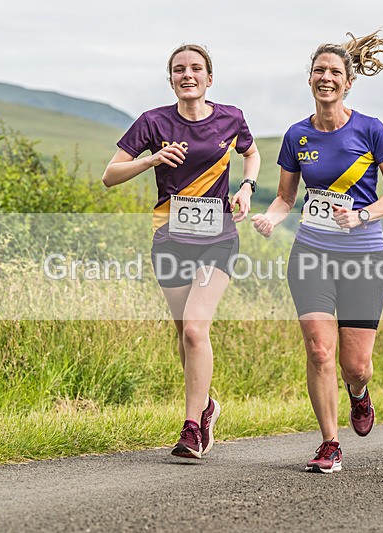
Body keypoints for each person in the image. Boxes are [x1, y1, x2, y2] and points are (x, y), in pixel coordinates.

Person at [252, 30, 383, 473]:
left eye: (334, 72)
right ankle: (329, 442)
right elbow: (286, 198)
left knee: (355, 365)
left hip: (363, 256)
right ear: (310, 79)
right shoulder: (296, 135)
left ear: (348, 82)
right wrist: (271, 218)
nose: (326, 78)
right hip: (311, 254)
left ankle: (359, 395)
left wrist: (361, 215)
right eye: (319, 70)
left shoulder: (370, 130)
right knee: (320, 350)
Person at [102, 44, 260, 459]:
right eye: (178, 69)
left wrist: (246, 187)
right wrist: (152, 160)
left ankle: (193, 429)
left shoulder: (232, 117)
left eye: (195, 68)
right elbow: (109, 175)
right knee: (184, 336)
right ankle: (206, 405)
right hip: (170, 240)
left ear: (210, 78)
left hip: (218, 238)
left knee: (194, 328)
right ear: (170, 78)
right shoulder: (153, 122)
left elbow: (251, 153)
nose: (187, 75)